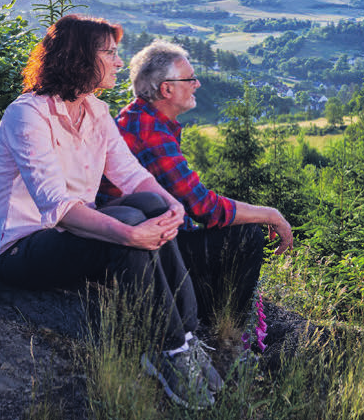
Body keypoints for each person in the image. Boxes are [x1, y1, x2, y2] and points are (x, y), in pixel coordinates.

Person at [0, 15, 220, 408]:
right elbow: (57, 207)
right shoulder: (28, 114)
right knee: (128, 222)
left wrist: (172, 205)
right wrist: (128, 236)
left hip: (71, 236)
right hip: (22, 248)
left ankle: (187, 338)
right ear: (79, 57)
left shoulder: (95, 110)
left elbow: (131, 175)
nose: (117, 61)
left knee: (151, 205)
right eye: (109, 53)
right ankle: (164, 351)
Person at [106, 40, 294, 333]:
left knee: (222, 235)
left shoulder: (140, 118)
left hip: (147, 242)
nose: (197, 83)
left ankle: (213, 318)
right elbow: (203, 208)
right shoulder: (150, 130)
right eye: (190, 78)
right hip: (145, 248)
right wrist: (270, 214)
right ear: (166, 89)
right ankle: (224, 331)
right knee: (246, 236)